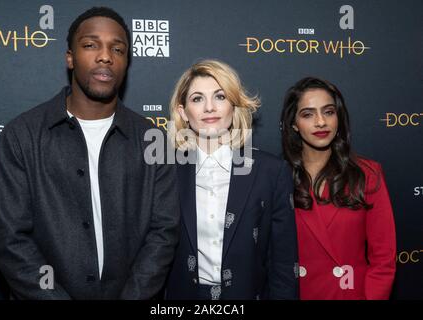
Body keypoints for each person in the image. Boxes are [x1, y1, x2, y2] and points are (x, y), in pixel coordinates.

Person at [0, 7, 180, 299]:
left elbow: (163, 232)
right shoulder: (22, 135)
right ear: (70, 57)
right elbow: (11, 240)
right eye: (91, 45)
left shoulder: (153, 139)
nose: (105, 56)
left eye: (118, 49)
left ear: (126, 61)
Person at [164, 59, 299, 300]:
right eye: (197, 99)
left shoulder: (271, 172)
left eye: (220, 96)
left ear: (234, 106)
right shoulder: (166, 172)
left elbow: (283, 262)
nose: (209, 108)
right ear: (183, 112)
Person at [280, 77, 396, 300]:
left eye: (329, 112)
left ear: (338, 118)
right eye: (308, 114)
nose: (321, 122)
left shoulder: (367, 174)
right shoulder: (277, 177)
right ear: (294, 123)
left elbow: (383, 259)